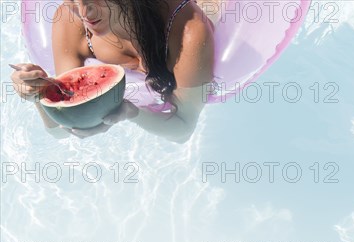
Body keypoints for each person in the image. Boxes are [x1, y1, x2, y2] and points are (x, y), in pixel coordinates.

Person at [11, 0, 219, 143]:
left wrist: (133, 113)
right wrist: (38, 93)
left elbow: (184, 129)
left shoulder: (188, 31)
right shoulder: (70, 20)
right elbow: (59, 132)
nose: (84, 12)